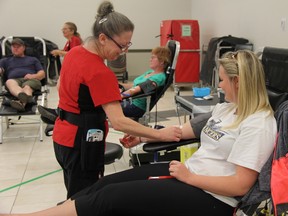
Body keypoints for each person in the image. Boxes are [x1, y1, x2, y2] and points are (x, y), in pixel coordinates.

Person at [0, 51, 277, 215]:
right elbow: (182, 130)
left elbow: (241, 185)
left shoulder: (258, 123)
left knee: (110, 200)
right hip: (188, 175)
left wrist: (190, 176)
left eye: (222, 80)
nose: (219, 85)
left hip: (213, 199)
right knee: (103, 185)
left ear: (238, 82)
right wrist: (145, 136)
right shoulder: (226, 109)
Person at [43, 1, 182, 200]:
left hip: (63, 137)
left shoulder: (74, 54)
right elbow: (118, 121)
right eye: (122, 45)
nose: (124, 51)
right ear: (102, 38)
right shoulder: (101, 73)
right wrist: (160, 135)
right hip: (83, 144)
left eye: (128, 45)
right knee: (83, 201)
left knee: (73, 193)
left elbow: (62, 88)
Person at [38, 45, 171, 123]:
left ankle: (59, 116)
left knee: (96, 105)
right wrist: (114, 84)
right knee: (94, 98)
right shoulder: (149, 72)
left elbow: (140, 88)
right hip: (129, 101)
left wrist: (121, 95)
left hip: (135, 106)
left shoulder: (160, 77)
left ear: (162, 62)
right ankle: (59, 113)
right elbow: (132, 85)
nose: (150, 59)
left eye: (153, 57)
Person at [0, 38, 46, 111]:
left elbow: (42, 74)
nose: (15, 48)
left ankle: (21, 100)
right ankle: (22, 101)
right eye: (13, 47)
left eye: (18, 46)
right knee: (9, 82)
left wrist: (33, 76)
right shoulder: (5, 60)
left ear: (24, 48)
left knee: (27, 87)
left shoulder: (33, 59)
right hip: (14, 80)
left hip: (31, 79)